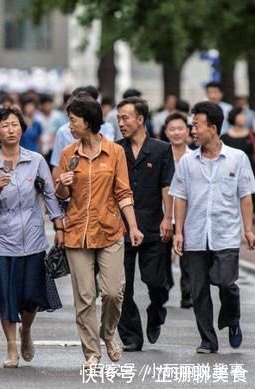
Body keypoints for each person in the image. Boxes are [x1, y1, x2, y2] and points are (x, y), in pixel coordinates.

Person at [55, 94, 143, 368]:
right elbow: (60, 195)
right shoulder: (68, 154)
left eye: (73, 120)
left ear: (88, 121)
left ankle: (108, 333)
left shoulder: (115, 152)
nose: (70, 125)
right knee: (84, 297)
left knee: (114, 292)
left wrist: (133, 226)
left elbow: (123, 191)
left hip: (110, 229)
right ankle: (91, 352)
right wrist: (62, 183)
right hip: (77, 232)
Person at [0, 107, 64, 368]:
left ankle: (25, 332)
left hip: (32, 239)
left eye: (15, 125)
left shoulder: (36, 160)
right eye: (5, 126)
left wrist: (59, 226)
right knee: (5, 297)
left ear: (22, 129)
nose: (11, 130)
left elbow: (50, 195)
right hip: (0, 241)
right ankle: (12, 347)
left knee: (30, 298)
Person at [170, 101, 255, 353]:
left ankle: (232, 318)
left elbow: (245, 196)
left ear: (213, 128)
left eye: (196, 125)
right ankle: (208, 340)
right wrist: (178, 232)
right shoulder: (187, 161)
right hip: (195, 234)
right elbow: (180, 196)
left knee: (226, 283)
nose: (192, 131)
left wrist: (248, 229)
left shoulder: (237, 159)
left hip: (226, 233)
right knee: (199, 291)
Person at [115, 97, 175, 352]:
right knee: (120, 287)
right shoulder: (116, 149)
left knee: (156, 281)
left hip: (153, 224)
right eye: (118, 119)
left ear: (141, 119)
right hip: (121, 227)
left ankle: (156, 309)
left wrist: (168, 218)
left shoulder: (161, 149)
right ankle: (131, 336)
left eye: (125, 118)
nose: (121, 123)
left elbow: (167, 186)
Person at [50, 86, 116, 178]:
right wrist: (61, 186)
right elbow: (57, 171)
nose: (70, 126)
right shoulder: (65, 143)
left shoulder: (114, 148)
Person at [163, 112, 193, 308]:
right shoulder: (160, 156)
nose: (176, 133)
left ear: (188, 131)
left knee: (188, 257)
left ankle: (187, 293)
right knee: (163, 255)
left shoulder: (194, 157)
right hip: (164, 213)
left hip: (188, 214)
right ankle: (166, 285)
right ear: (166, 132)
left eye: (180, 128)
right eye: (172, 129)